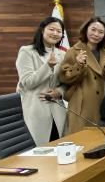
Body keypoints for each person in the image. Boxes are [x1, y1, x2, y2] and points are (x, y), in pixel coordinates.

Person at [59, 17, 105, 134]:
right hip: (82, 104)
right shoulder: (74, 51)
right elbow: (64, 77)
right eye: (93, 30)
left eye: (101, 32)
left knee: (101, 139)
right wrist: (78, 65)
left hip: (103, 103)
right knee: (81, 139)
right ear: (86, 30)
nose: (96, 34)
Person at [15, 16, 68, 145]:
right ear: (42, 30)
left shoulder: (62, 54)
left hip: (58, 111)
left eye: (59, 31)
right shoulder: (27, 51)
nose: (55, 33)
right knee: (39, 150)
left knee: (59, 147)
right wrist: (48, 66)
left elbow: (66, 82)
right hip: (36, 110)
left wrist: (59, 92)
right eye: (51, 29)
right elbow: (27, 82)